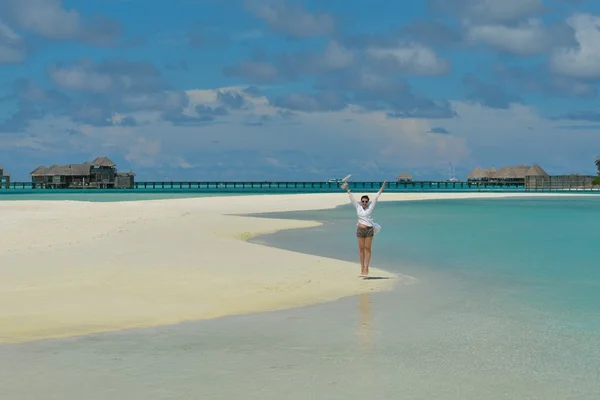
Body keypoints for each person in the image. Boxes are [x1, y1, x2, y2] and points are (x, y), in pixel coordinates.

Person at [343, 181, 386, 276]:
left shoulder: (370, 208)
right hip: (360, 230)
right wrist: (347, 188)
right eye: (363, 201)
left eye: (366, 201)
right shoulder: (358, 207)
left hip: (369, 230)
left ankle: (367, 266)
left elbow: (376, 197)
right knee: (361, 249)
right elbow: (351, 197)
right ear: (361, 202)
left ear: (368, 202)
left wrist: (382, 187)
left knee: (368, 248)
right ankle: (362, 267)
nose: (364, 203)